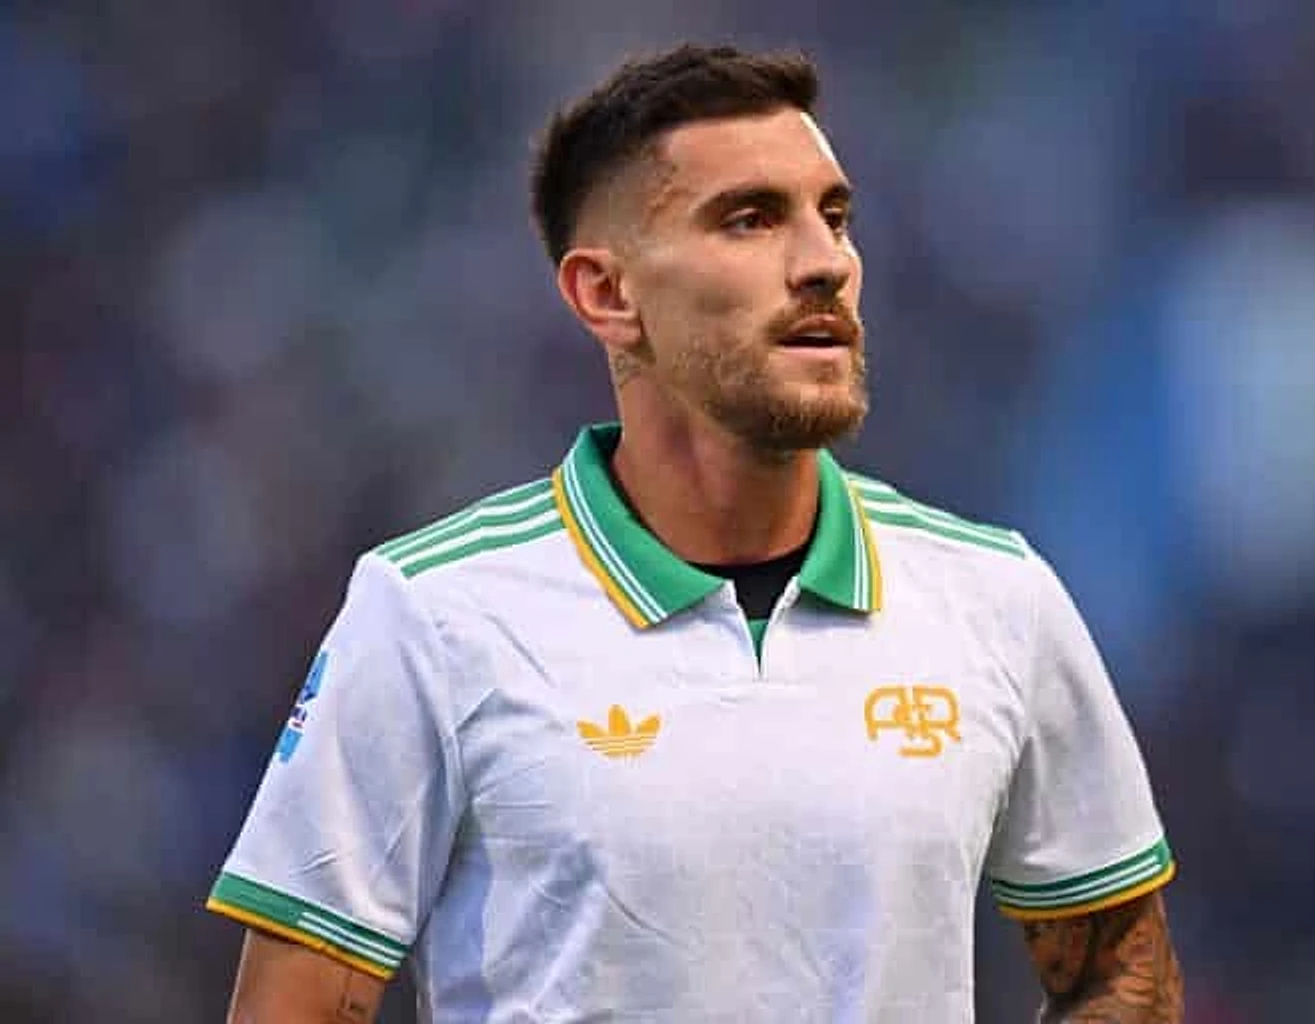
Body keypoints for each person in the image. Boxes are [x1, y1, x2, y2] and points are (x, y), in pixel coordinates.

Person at [207, 43, 1183, 1023]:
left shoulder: (999, 599)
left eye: (834, 216)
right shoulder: (431, 614)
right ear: (607, 294)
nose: (825, 263)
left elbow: (1121, 973)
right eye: (751, 219)